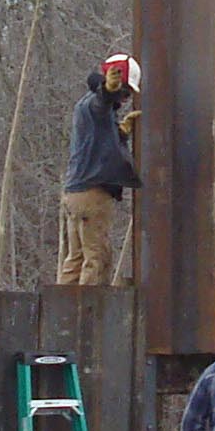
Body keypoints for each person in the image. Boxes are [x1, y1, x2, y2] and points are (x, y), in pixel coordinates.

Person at [58, 51, 142, 287]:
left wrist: (120, 135)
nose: (124, 99)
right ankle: (88, 316)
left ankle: (65, 312)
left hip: (76, 192)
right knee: (97, 259)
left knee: (76, 259)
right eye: (124, 92)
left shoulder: (88, 109)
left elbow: (96, 140)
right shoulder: (95, 105)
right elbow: (101, 102)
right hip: (92, 194)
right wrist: (108, 91)